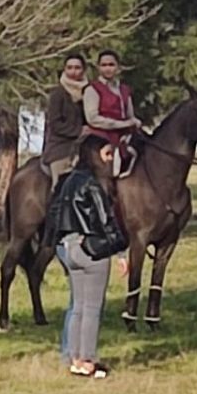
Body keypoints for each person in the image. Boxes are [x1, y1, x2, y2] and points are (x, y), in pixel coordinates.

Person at [44, 135, 127, 378]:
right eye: (107, 154)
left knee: (78, 306)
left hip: (67, 247)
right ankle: (88, 359)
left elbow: (54, 214)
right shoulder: (94, 183)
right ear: (95, 154)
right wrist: (121, 252)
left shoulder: (67, 180)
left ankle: (74, 358)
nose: (111, 159)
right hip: (91, 250)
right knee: (92, 308)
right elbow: (106, 220)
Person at [84, 49, 144, 176]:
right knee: (104, 176)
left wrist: (134, 123)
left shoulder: (124, 90)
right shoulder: (92, 89)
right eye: (104, 65)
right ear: (98, 68)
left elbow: (130, 116)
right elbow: (93, 119)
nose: (107, 69)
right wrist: (123, 124)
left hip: (124, 137)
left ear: (118, 67)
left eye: (111, 65)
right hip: (99, 138)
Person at [40, 54, 90, 182]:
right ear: (65, 70)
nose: (73, 71)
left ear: (83, 70)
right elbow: (55, 124)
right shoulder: (58, 94)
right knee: (63, 185)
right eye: (70, 68)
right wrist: (78, 131)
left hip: (86, 145)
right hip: (61, 148)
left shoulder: (89, 92)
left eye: (77, 68)